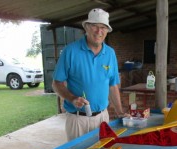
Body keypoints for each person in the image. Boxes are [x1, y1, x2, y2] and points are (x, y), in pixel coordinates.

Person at [52, 8, 127, 141]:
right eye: (94, 26)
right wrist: (72, 98)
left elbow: (113, 85)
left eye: (103, 27)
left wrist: (120, 111)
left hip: (102, 118)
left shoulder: (110, 53)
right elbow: (57, 83)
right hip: (77, 119)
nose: (99, 31)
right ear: (86, 27)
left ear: (107, 31)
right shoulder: (70, 51)